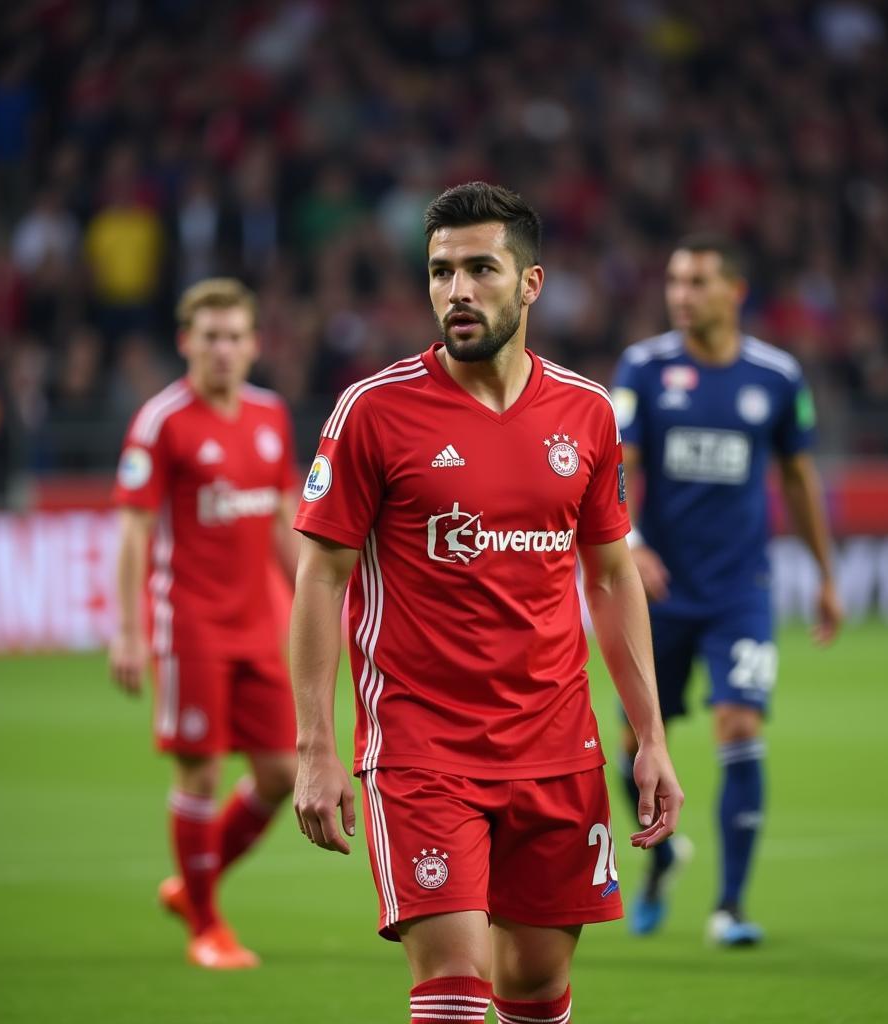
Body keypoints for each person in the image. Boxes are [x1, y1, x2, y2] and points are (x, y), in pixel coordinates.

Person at [291, 182, 684, 1024]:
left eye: (480, 269)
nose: (456, 291)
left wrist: (648, 737)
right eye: (440, 273)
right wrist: (317, 745)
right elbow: (320, 576)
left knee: (536, 986)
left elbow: (613, 577)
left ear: (530, 283)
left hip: (557, 744)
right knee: (455, 988)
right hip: (421, 746)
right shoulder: (374, 411)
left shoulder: (586, 413)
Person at [610, 234, 842, 946]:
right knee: (634, 743)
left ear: (734, 291)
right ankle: (664, 855)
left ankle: (730, 907)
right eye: (676, 280)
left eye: (698, 281)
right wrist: (630, 544)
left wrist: (827, 577)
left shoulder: (776, 377)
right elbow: (617, 464)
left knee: (739, 726)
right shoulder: (645, 368)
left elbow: (799, 480)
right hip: (658, 588)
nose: (682, 294)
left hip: (742, 589)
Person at [109, 277, 299, 969]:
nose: (223, 349)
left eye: (235, 336)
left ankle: (193, 885)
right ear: (187, 342)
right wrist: (129, 631)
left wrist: (315, 597)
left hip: (259, 627)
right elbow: (133, 532)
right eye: (209, 337)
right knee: (201, 775)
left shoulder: (270, 415)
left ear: (254, 344)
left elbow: (282, 518)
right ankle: (206, 926)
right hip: (189, 626)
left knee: (282, 773)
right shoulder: (162, 422)